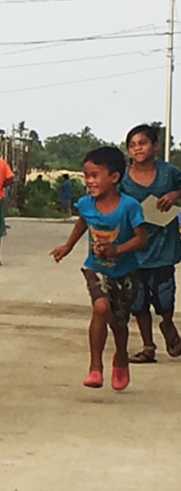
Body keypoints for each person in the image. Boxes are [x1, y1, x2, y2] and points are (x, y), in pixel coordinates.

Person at [51, 147, 146, 390]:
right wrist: (68, 246)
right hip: (96, 267)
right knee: (100, 307)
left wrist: (118, 249)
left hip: (126, 271)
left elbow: (141, 239)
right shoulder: (85, 204)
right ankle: (95, 367)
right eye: (86, 175)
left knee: (119, 322)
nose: (89, 181)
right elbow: (83, 222)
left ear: (114, 178)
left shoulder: (129, 206)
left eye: (95, 175)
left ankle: (121, 356)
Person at [119, 124, 181, 363]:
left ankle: (167, 323)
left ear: (155, 146)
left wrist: (174, 195)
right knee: (138, 300)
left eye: (143, 143)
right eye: (132, 145)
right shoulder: (122, 178)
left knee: (164, 297)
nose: (138, 149)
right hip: (133, 245)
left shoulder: (169, 172)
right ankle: (148, 346)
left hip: (164, 243)